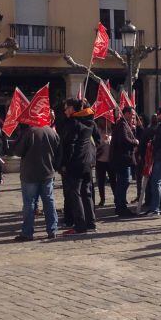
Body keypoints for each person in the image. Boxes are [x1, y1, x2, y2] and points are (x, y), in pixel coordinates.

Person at [13, 119, 61, 240]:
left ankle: (27, 232)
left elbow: (17, 151)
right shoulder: (51, 131)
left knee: (29, 204)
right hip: (47, 172)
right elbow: (59, 151)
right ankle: (52, 230)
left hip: (30, 173)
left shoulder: (29, 132)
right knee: (49, 201)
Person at [59, 100, 98, 235]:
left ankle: (80, 225)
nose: (65, 111)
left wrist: (64, 164)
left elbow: (70, 146)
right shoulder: (90, 122)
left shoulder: (73, 123)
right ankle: (91, 223)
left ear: (72, 109)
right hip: (87, 163)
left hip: (75, 163)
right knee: (86, 193)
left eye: (66, 108)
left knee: (75, 194)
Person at [110, 106, 139, 217]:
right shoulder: (122, 125)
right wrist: (135, 142)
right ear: (126, 114)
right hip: (122, 160)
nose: (133, 116)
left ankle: (120, 205)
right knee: (123, 183)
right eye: (131, 114)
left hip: (124, 159)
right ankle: (121, 206)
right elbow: (124, 140)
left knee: (123, 183)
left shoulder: (125, 125)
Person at [94, 118, 113, 207]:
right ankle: (102, 199)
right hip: (100, 160)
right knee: (101, 181)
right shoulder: (98, 130)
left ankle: (117, 197)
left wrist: (110, 139)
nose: (108, 122)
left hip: (110, 160)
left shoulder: (111, 130)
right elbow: (96, 143)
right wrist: (102, 141)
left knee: (113, 180)